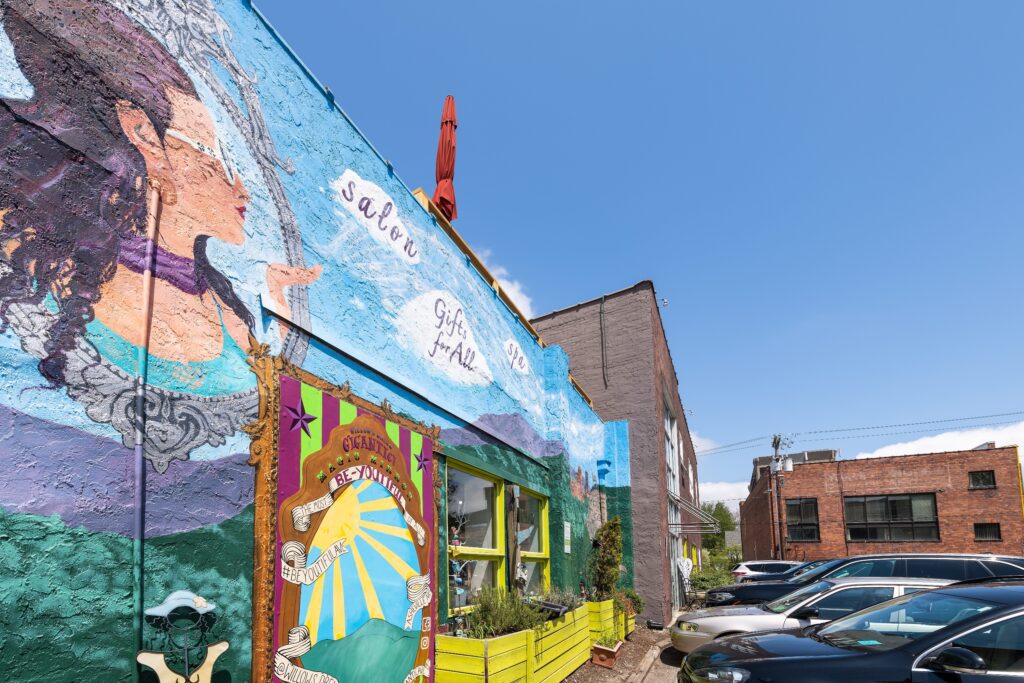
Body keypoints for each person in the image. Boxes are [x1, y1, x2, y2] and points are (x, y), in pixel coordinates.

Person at [0, 0, 319, 467]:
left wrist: (277, 302)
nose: (240, 186)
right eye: (219, 159)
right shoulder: (39, 266)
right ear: (144, 137)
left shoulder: (229, 312)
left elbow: (283, 410)